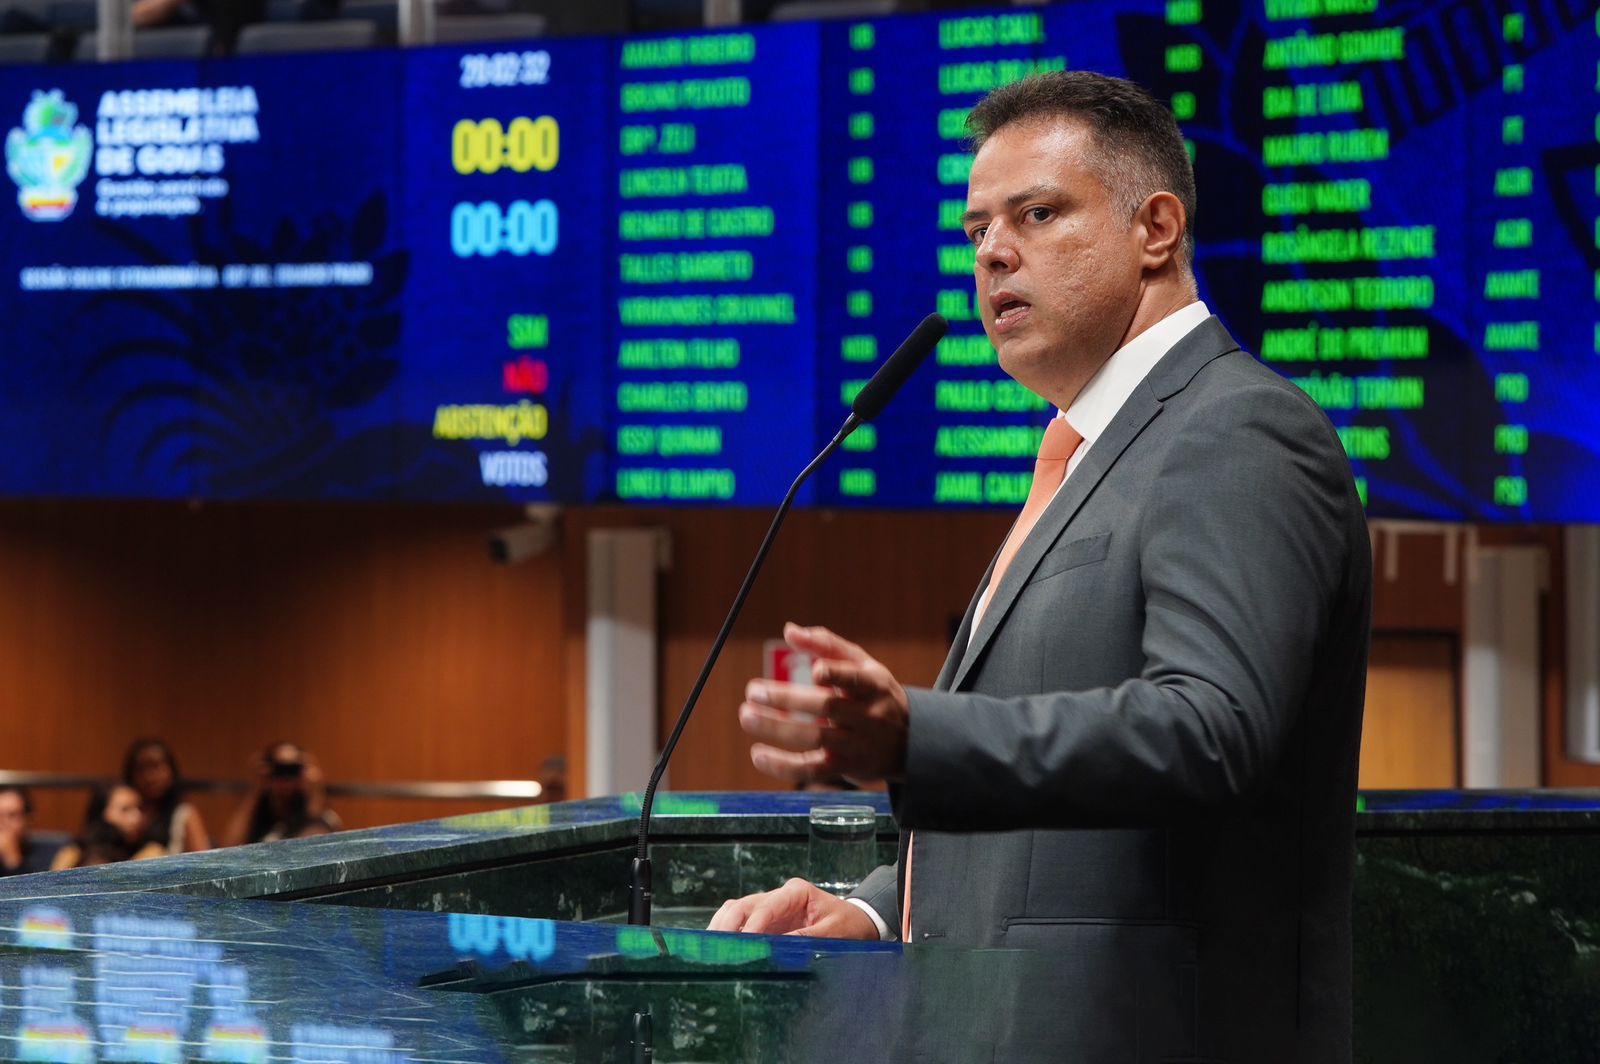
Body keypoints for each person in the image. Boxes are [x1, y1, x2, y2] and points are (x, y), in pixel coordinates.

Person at [709, 72, 1371, 1064]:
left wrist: (913, 735)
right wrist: (876, 908)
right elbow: (1064, 853)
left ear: (1156, 228)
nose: (992, 253)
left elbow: (1209, 731)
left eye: (1037, 212)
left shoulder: (1236, 428)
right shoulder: (1087, 455)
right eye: (976, 230)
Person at [220, 742, 341, 846]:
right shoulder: (259, 816)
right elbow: (228, 847)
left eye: (292, 769)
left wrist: (315, 792)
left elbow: (312, 849)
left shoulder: (322, 816)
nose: (286, 778)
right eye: (279, 769)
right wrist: (256, 788)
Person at [123, 738, 210, 856]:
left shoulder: (184, 813)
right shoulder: (125, 811)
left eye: (156, 767)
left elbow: (204, 862)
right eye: (141, 769)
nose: (149, 776)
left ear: (171, 771)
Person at [51, 783, 165, 870]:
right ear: (102, 812)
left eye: (139, 808)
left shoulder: (152, 852)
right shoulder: (74, 852)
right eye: (125, 809)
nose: (137, 817)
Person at [0, 785, 68, 876]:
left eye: (12, 816)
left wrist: (12, 859)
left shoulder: (48, 856)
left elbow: (36, 888)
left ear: (28, 819)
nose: (3, 823)